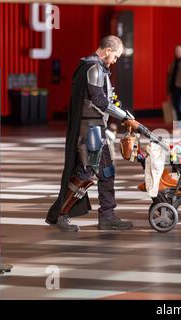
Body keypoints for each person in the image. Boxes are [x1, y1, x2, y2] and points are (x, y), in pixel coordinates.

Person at [45, 35, 139, 232]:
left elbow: (108, 99)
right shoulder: (93, 67)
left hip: (97, 128)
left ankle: (107, 215)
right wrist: (124, 118)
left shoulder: (99, 69)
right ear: (107, 51)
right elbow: (99, 100)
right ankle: (61, 215)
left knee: (106, 171)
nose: (115, 60)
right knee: (85, 173)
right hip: (90, 130)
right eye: (115, 56)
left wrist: (125, 114)